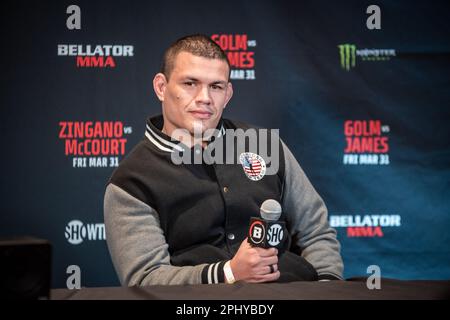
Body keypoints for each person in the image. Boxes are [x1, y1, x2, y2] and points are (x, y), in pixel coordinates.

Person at [104, 34, 343, 286]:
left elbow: (316, 231)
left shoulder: (265, 145)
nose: (205, 97)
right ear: (161, 87)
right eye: (190, 83)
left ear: (227, 94)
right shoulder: (131, 182)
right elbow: (145, 279)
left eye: (216, 86)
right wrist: (228, 273)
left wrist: (326, 287)